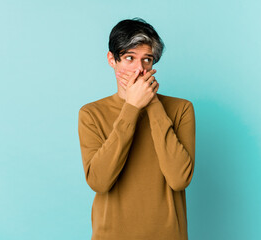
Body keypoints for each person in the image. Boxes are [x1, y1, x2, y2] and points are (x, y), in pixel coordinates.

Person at [78, 17, 196, 240]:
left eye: (147, 60)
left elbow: (179, 179)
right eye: (129, 58)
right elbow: (99, 182)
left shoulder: (181, 109)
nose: (139, 70)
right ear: (112, 60)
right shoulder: (91, 114)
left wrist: (152, 104)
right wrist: (131, 108)